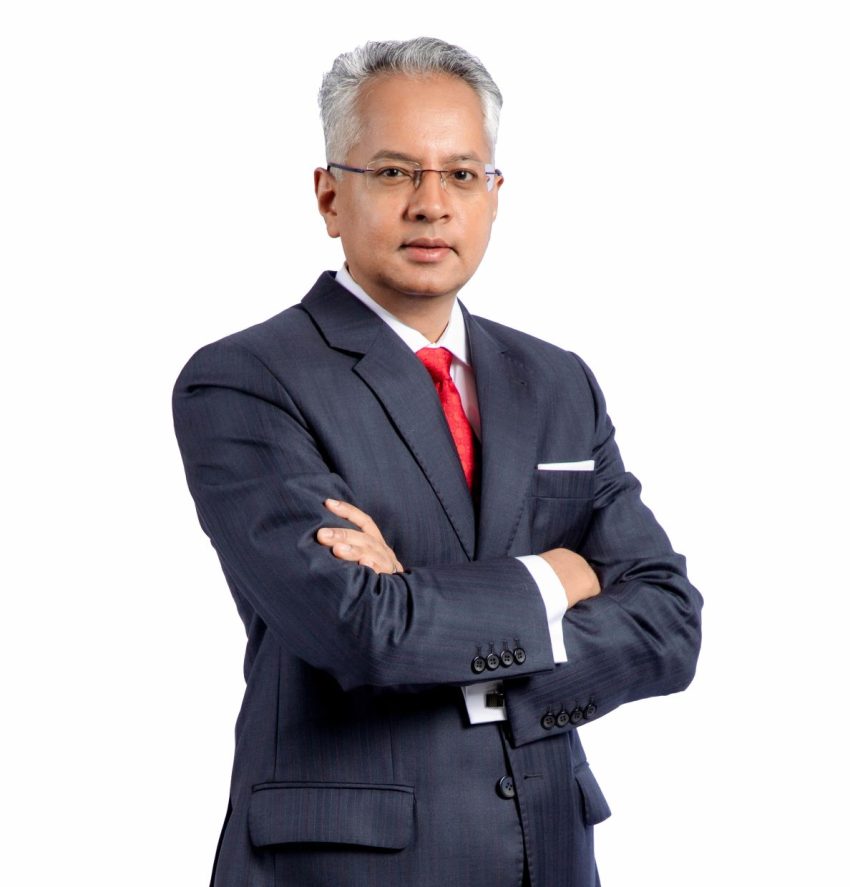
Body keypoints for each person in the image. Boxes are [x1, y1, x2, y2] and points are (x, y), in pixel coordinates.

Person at [173, 36, 702, 887]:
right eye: (394, 172)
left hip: (548, 855)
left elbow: (670, 623)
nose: (431, 204)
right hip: (343, 867)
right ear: (330, 195)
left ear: (494, 194)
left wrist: (441, 623)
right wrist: (558, 576)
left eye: (461, 173)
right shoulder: (246, 379)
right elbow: (361, 631)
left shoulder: (557, 382)